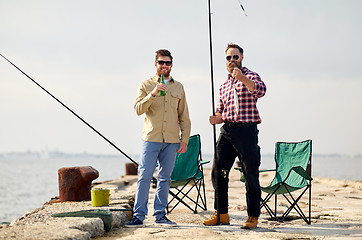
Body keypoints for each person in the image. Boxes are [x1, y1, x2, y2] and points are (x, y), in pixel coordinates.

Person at [203, 43, 266, 229]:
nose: (232, 61)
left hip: (247, 131)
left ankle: (253, 216)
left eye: (235, 57)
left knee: (250, 174)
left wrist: (243, 78)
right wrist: (216, 119)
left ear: (242, 57)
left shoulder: (251, 75)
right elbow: (221, 111)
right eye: (229, 58)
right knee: (218, 172)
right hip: (227, 132)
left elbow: (261, 91)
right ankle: (221, 213)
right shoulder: (223, 85)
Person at [125, 49, 191, 227]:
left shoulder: (179, 87)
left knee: (165, 178)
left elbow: (184, 116)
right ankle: (138, 216)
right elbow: (138, 109)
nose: (164, 65)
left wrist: (184, 140)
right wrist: (153, 93)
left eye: (167, 63)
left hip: (171, 140)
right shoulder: (146, 85)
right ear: (155, 64)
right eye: (161, 62)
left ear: (171, 65)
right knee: (144, 176)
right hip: (151, 138)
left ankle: (160, 215)